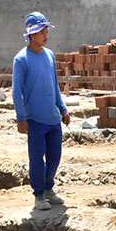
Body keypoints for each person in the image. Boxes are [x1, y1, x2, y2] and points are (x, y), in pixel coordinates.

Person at [12, 11, 71, 211]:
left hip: (53, 118)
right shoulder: (21, 60)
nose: (46, 35)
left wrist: (63, 109)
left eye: (46, 31)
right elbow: (16, 91)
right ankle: (39, 195)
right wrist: (21, 118)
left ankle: (49, 189)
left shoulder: (50, 55)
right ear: (31, 35)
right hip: (35, 119)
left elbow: (54, 85)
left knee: (54, 156)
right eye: (41, 32)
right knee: (37, 158)